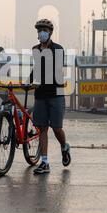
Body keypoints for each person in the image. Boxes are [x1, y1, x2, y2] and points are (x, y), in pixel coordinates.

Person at [30, 19, 70, 175]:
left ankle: (64, 147)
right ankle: (44, 162)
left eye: (44, 30)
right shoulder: (35, 49)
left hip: (55, 93)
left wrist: (42, 80)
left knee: (56, 128)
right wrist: (29, 82)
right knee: (42, 129)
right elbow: (36, 67)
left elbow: (56, 69)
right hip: (40, 95)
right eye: (39, 30)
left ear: (51, 32)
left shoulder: (58, 49)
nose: (42, 33)